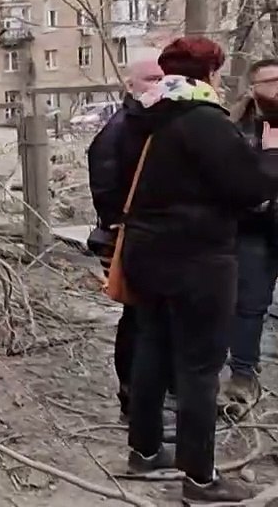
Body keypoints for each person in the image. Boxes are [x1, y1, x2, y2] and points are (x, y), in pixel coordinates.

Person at [116, 37, 278, 503]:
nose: (222, 80)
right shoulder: (203, 120)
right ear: (207, 73)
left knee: (153, 347)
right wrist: (271, 146)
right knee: (200, 366)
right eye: (219, 71)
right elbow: (250, 188)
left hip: (147, 252)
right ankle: (200, 479)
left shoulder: (143, 116)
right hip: (197, 258)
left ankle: (145, 451)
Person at [85, 58, 166, 420]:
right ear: (130, 84)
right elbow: (105, 185)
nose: (159, 84)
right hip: (128, 236)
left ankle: (145, 396)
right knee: (137, 318)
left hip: (145, 235)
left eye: (164, 78)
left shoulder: (152, 124)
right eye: (151, 78)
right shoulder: (122, 129)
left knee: (146, 317)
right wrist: (119, 225)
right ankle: (132, 397)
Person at [223, 58, 278, 407]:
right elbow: (237, 180)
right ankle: (243, 373)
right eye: (269, 81)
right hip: (255, 229)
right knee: (249, 305)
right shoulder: (237, 128)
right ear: (253, 87)